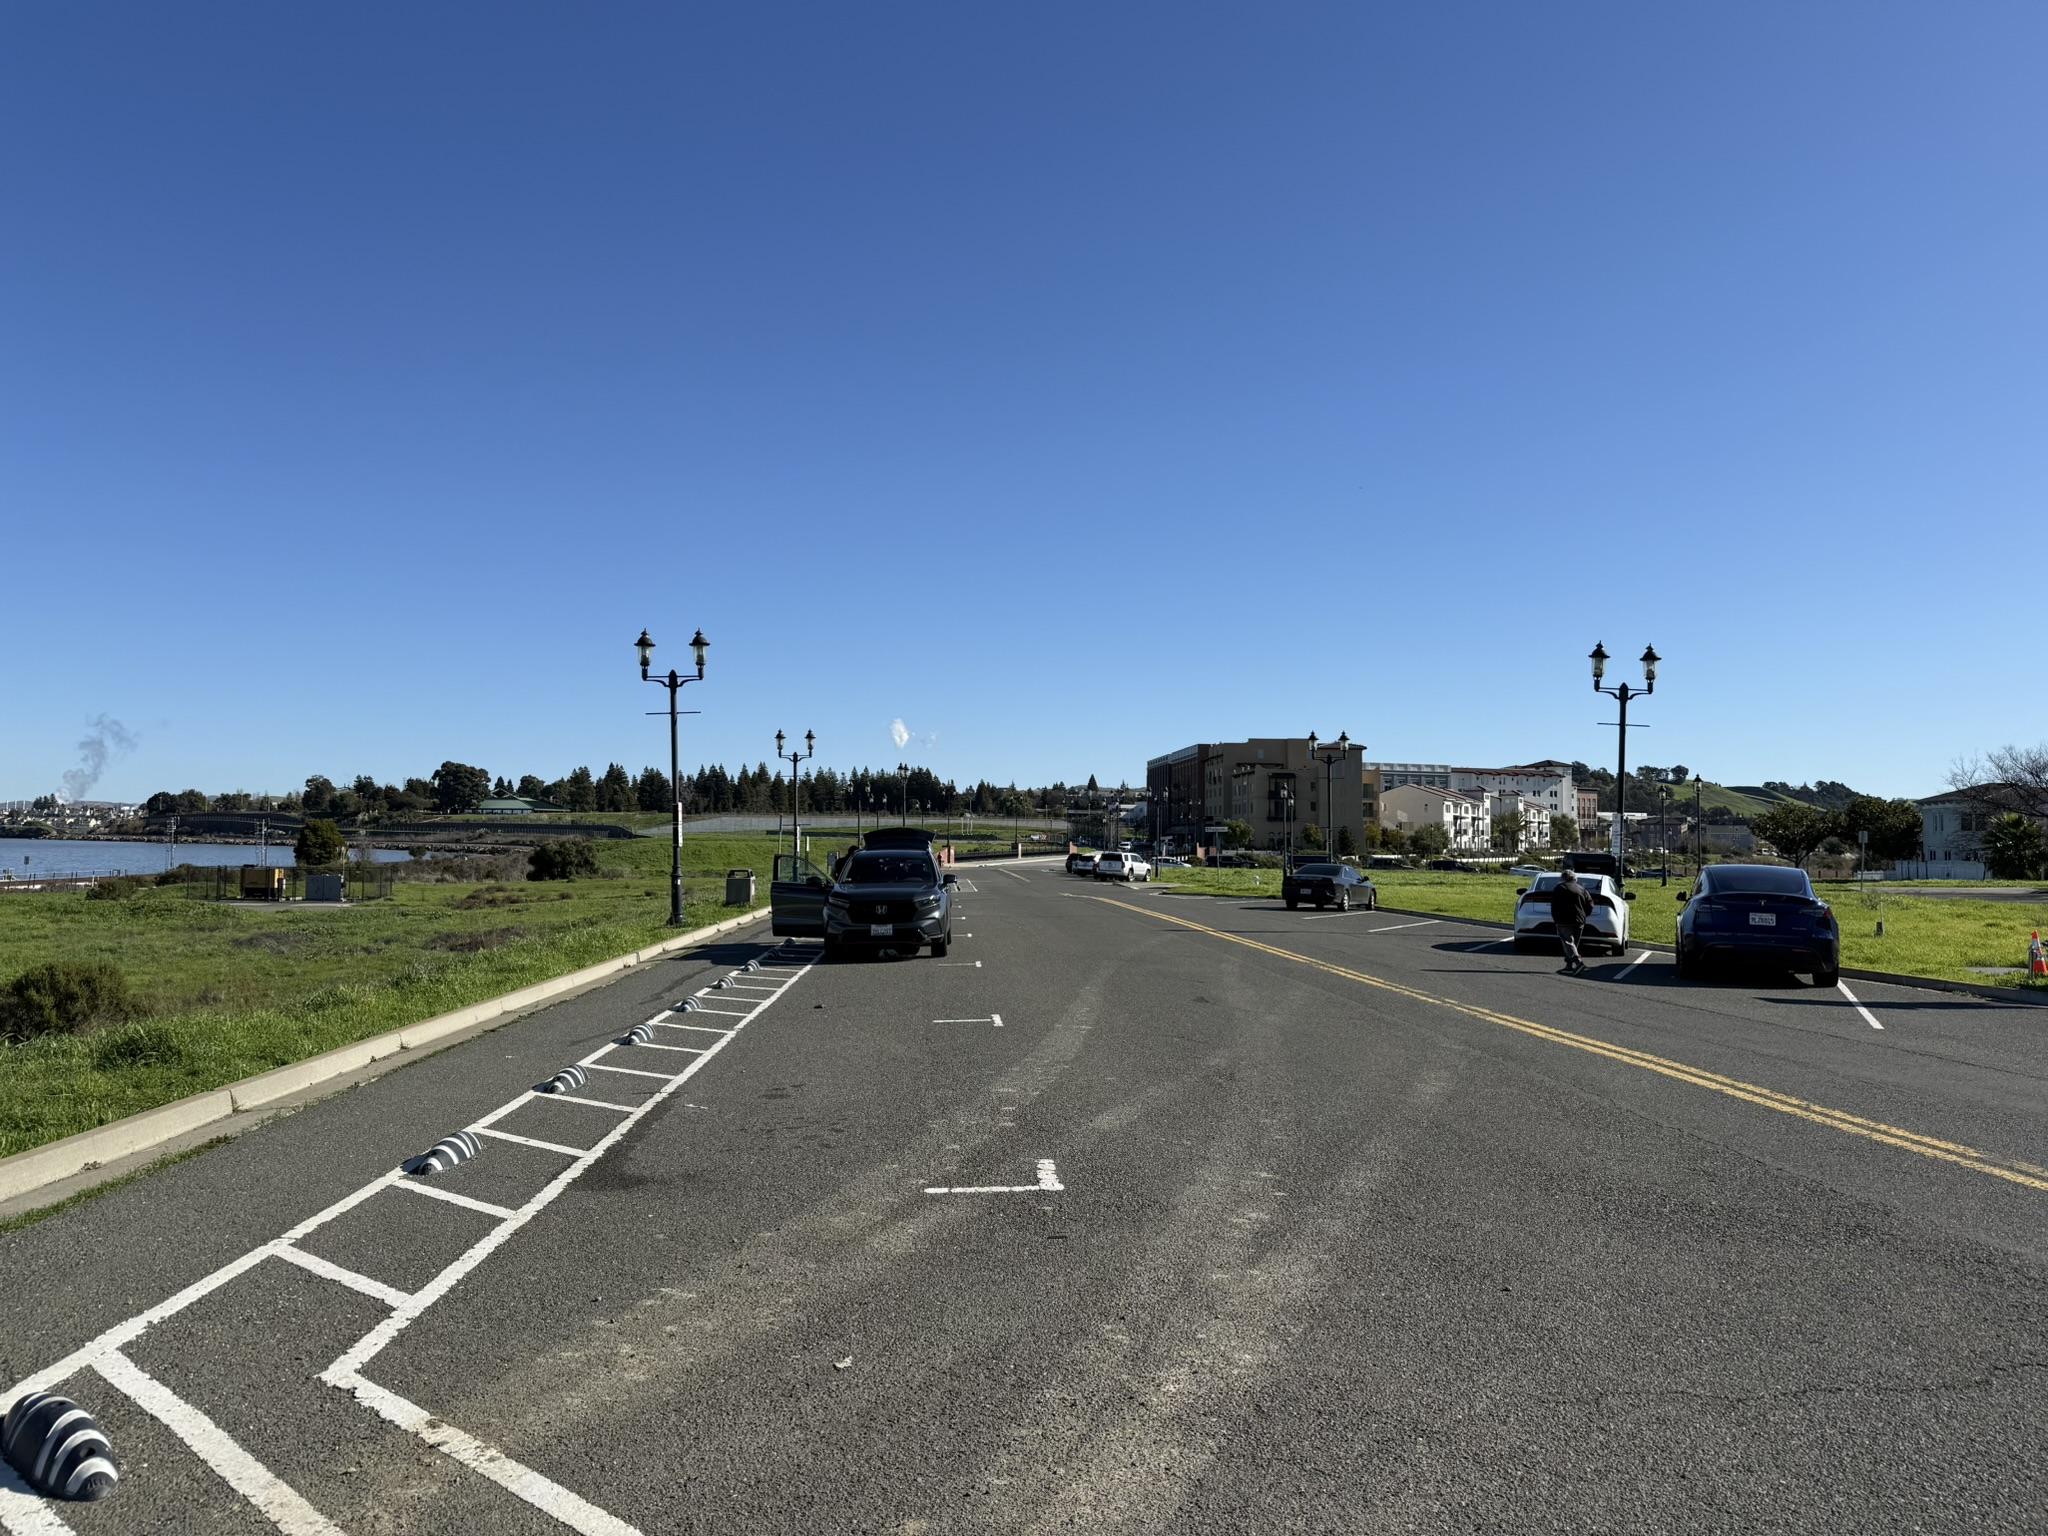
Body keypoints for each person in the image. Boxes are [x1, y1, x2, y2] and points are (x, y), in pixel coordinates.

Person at [1549, 868, 1595, 975]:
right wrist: (1584, 915)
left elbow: (1554, 905)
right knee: (1573, 944)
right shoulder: (1582, 889)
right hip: (1579, 921)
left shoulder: (1560, 888)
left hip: (1564, 920)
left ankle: (1579, 963)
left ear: (1563, 878)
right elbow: (1590, 904)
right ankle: (1568, 966)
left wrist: (1555, 918)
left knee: (1568, 942)